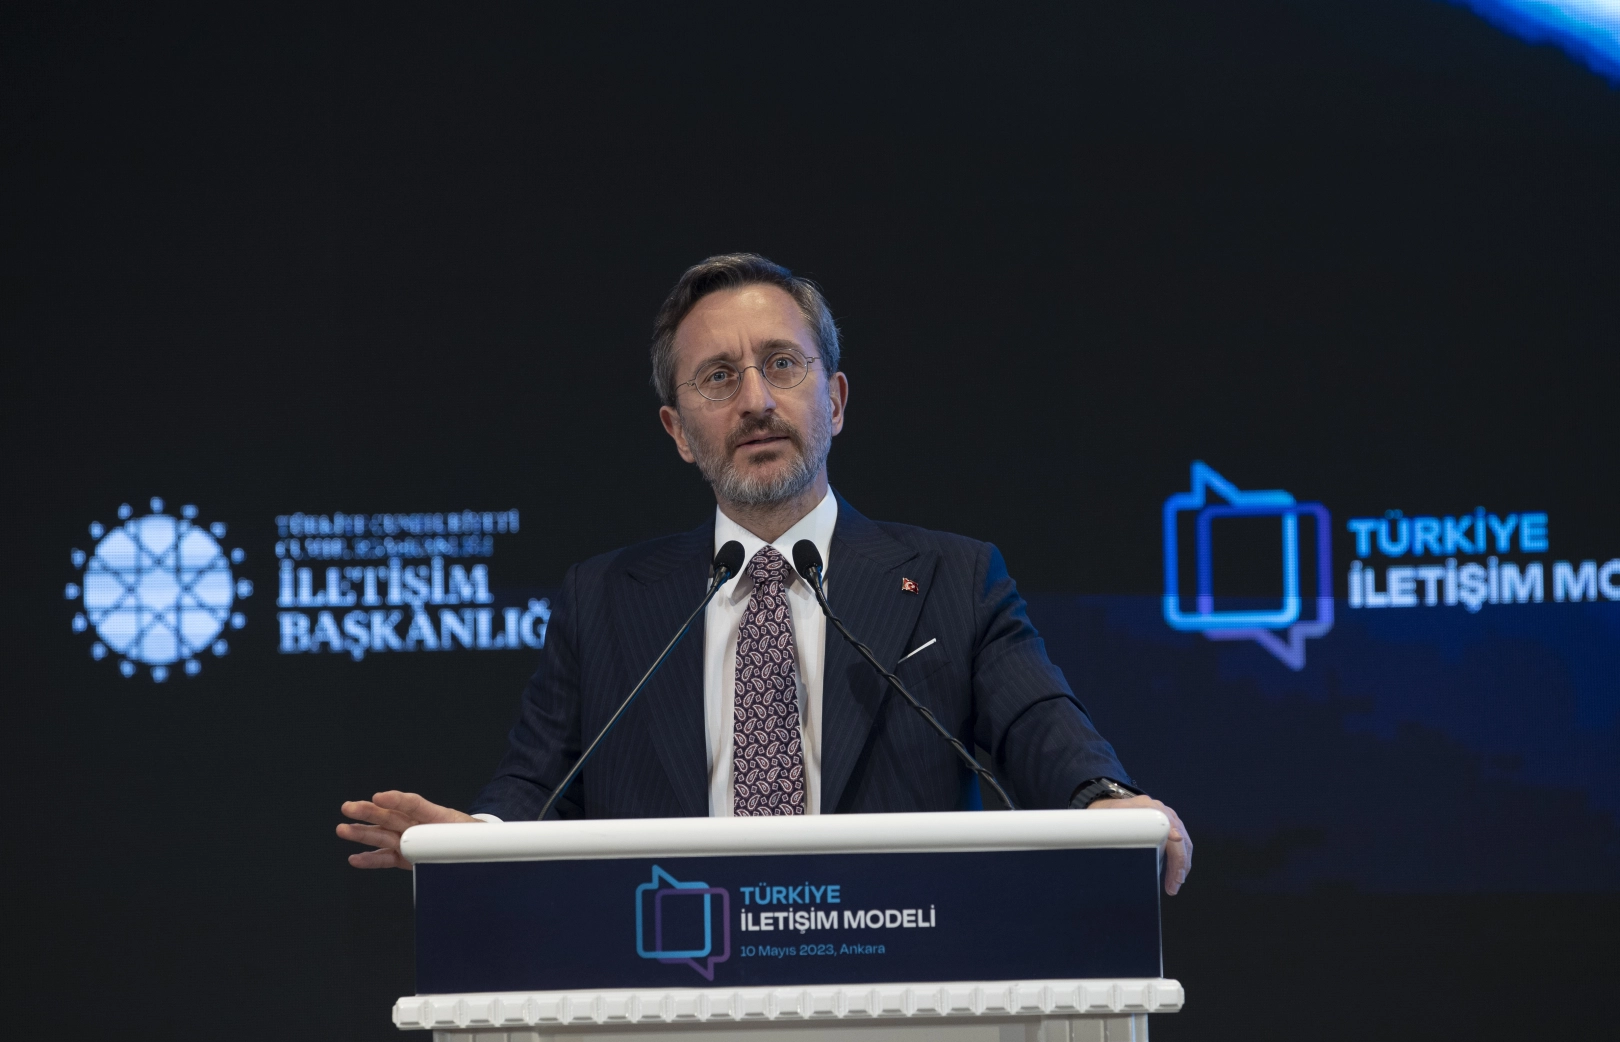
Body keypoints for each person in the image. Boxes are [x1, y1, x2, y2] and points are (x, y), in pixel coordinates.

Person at [338, 253, 1192, 894]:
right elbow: (537, 784)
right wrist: (475, 841)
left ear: (836, 400)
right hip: (673, 991)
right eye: (719, 377)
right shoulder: (604, 601)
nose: (755, 400)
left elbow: (1041, 726)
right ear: (678, 431)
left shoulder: (952, 579)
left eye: (782, 363)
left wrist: (1104, 799)